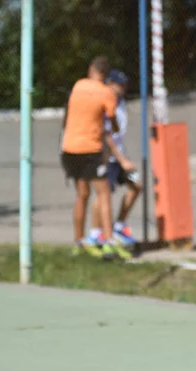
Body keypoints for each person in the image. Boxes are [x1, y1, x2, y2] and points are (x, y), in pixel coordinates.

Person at [60, 56, 129, 260]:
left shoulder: (78, 85)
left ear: (91, 70)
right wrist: (113, 126)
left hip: (70, 148)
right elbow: (112, 121)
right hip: (90, 149)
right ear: (106, 75)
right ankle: (108, 243)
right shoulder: (106, 93)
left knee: (82, 194)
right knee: (104, 193)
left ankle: (78, 242)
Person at [87, 69, 141, 249]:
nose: (121, 88)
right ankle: (95, 233)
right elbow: (107, 134)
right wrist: (121, 159)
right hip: (107, 158)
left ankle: (118, 225)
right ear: (109, 83)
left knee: (136, 185)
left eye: (123, 85)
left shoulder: (121, 103)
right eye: (118, 84)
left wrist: (124, 157)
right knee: (104, 194)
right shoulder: (105, 102)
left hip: (119, 157)